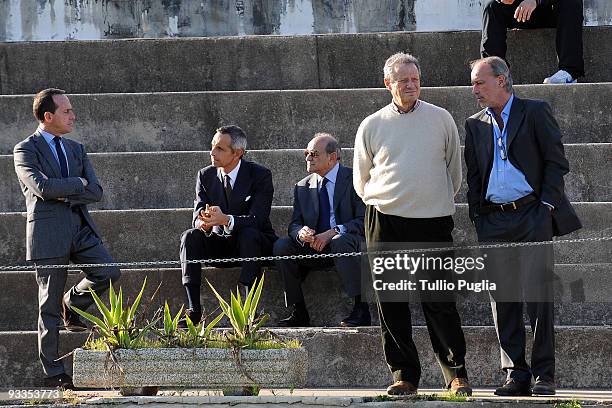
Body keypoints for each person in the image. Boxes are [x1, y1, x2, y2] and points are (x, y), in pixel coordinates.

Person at [353, 53, 471, 396]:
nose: (410, 85)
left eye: (415, 79)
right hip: (385, 220)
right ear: (388, 84)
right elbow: (362, 179)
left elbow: (454, 172)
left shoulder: (441, 118)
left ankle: (456, 374)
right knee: (391, 302)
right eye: (403, 80)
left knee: (440, 300)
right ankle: (404, 375)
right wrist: (390, 200)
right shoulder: (371, 124)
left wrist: (431, 199)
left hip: (432, 221)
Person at [465, 56, 582, 396]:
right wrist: (479, 217)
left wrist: (546, 206)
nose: (474, 89)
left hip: (533, 214)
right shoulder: (475, 125)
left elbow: (556, 162)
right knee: (502, 301)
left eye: (479, 82)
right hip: (494, 220)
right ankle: (515, 374)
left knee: (539, 299)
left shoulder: (535, 111)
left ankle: (545, 374)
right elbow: (474, 177)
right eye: (473, 83)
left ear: (501, 80)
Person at [13, 88, 121, 389]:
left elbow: (96, 191)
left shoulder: (77, 149)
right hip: (47, 233)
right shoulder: (25, 150)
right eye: (66, 111)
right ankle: (52, 372)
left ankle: (72, 302)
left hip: (80, 228)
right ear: (48, 116)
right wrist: (77, 184)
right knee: (47, 307)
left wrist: (67, 191)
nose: (73, 115)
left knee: (108, 272)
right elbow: (41, 188)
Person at [179, 125, 277, 324]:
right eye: (212, 146)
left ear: (238, 153)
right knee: (190, 236)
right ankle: (194, 309)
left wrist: (226, 219)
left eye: (220, 149)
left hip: (254, 243)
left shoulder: (259, 175)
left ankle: (250, 309)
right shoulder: (205, 175)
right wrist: (203, 222)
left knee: (249, 233)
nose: (212, 153)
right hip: (221, 243)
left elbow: (257, 218)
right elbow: (197, 213)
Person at [273, 133, 369, 327]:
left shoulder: (354, 179)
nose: (308, 158)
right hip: (314, 246)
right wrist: (301, 232)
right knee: (282, 246)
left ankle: (362, 308)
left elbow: (364, 220)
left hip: (346, 242)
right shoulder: (302, 186)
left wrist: (334, 231)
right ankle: (298, 311)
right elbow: (294, 224)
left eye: (314, 154)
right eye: (306, 153)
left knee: (339, 240)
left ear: (332, 157)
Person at [481, 0, 584, 84]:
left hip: (552, 10)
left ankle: (569, 72)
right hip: (520, 11)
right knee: (491, 6)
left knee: (571, 2)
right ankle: (493, 73)